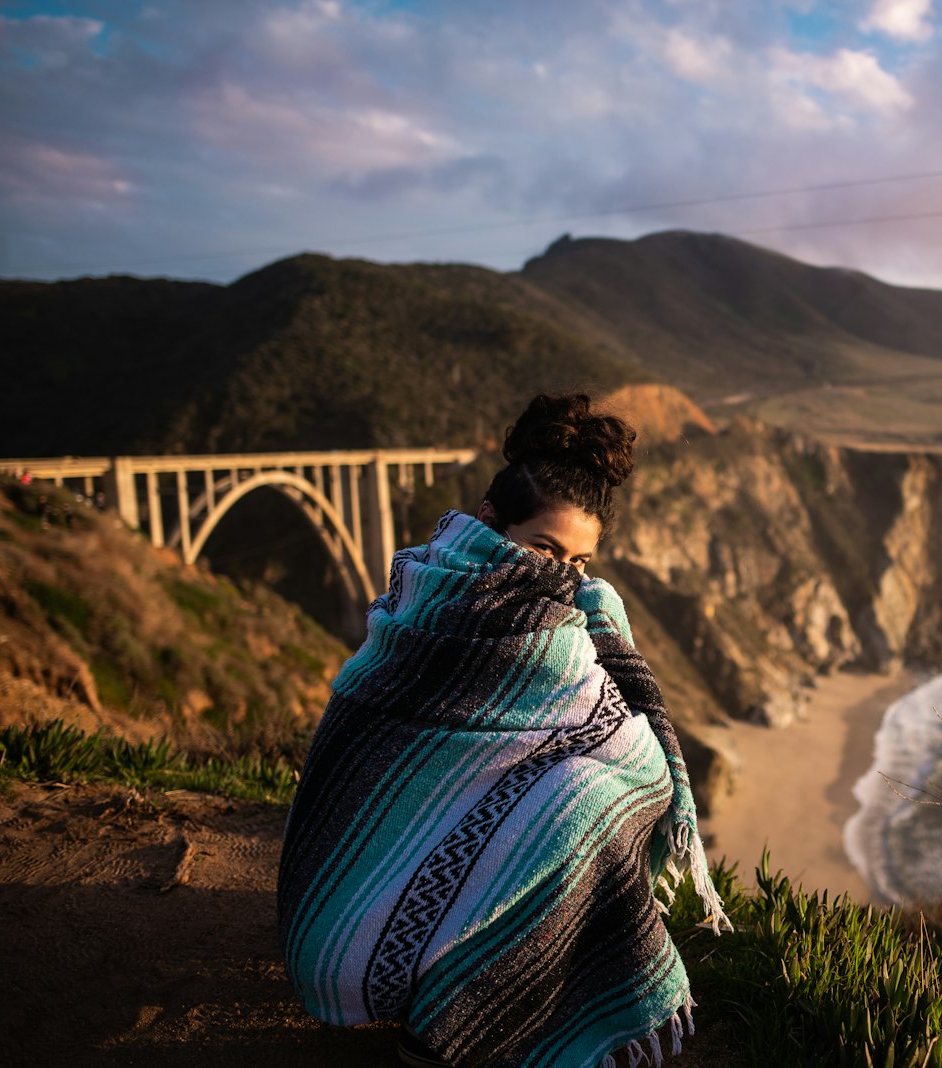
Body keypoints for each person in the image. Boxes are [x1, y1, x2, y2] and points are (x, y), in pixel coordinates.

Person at [277, 394, 729, 1068]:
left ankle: (457, 977)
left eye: (578, 562)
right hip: (353, 954)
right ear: (491, 518)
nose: (558, 576)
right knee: (595, 797)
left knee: (579, 778)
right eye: (545, 548)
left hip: (329, 928)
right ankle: (463, 1016)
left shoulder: (416, 587)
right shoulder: (540, 634)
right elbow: (628, 758)